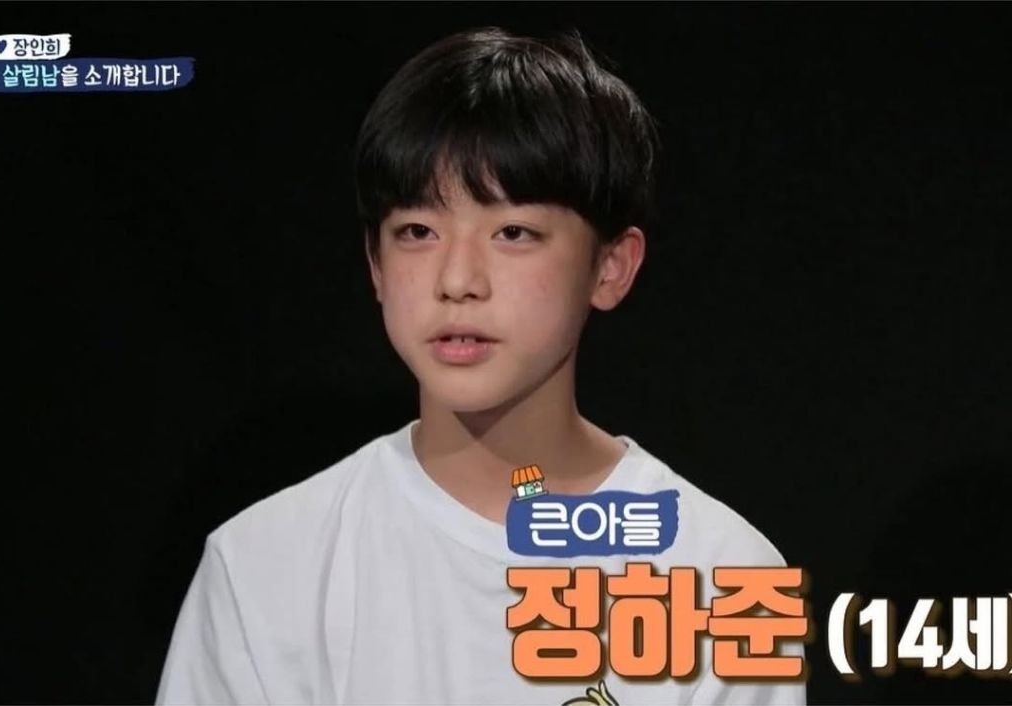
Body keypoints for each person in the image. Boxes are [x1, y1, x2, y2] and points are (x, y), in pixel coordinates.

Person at [155, 26, 807, 706]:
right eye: (418, 232)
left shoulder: (719, 577)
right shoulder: (265, 565)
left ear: (611, 266)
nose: (458, 280)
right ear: (375, 264)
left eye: (512, 233)